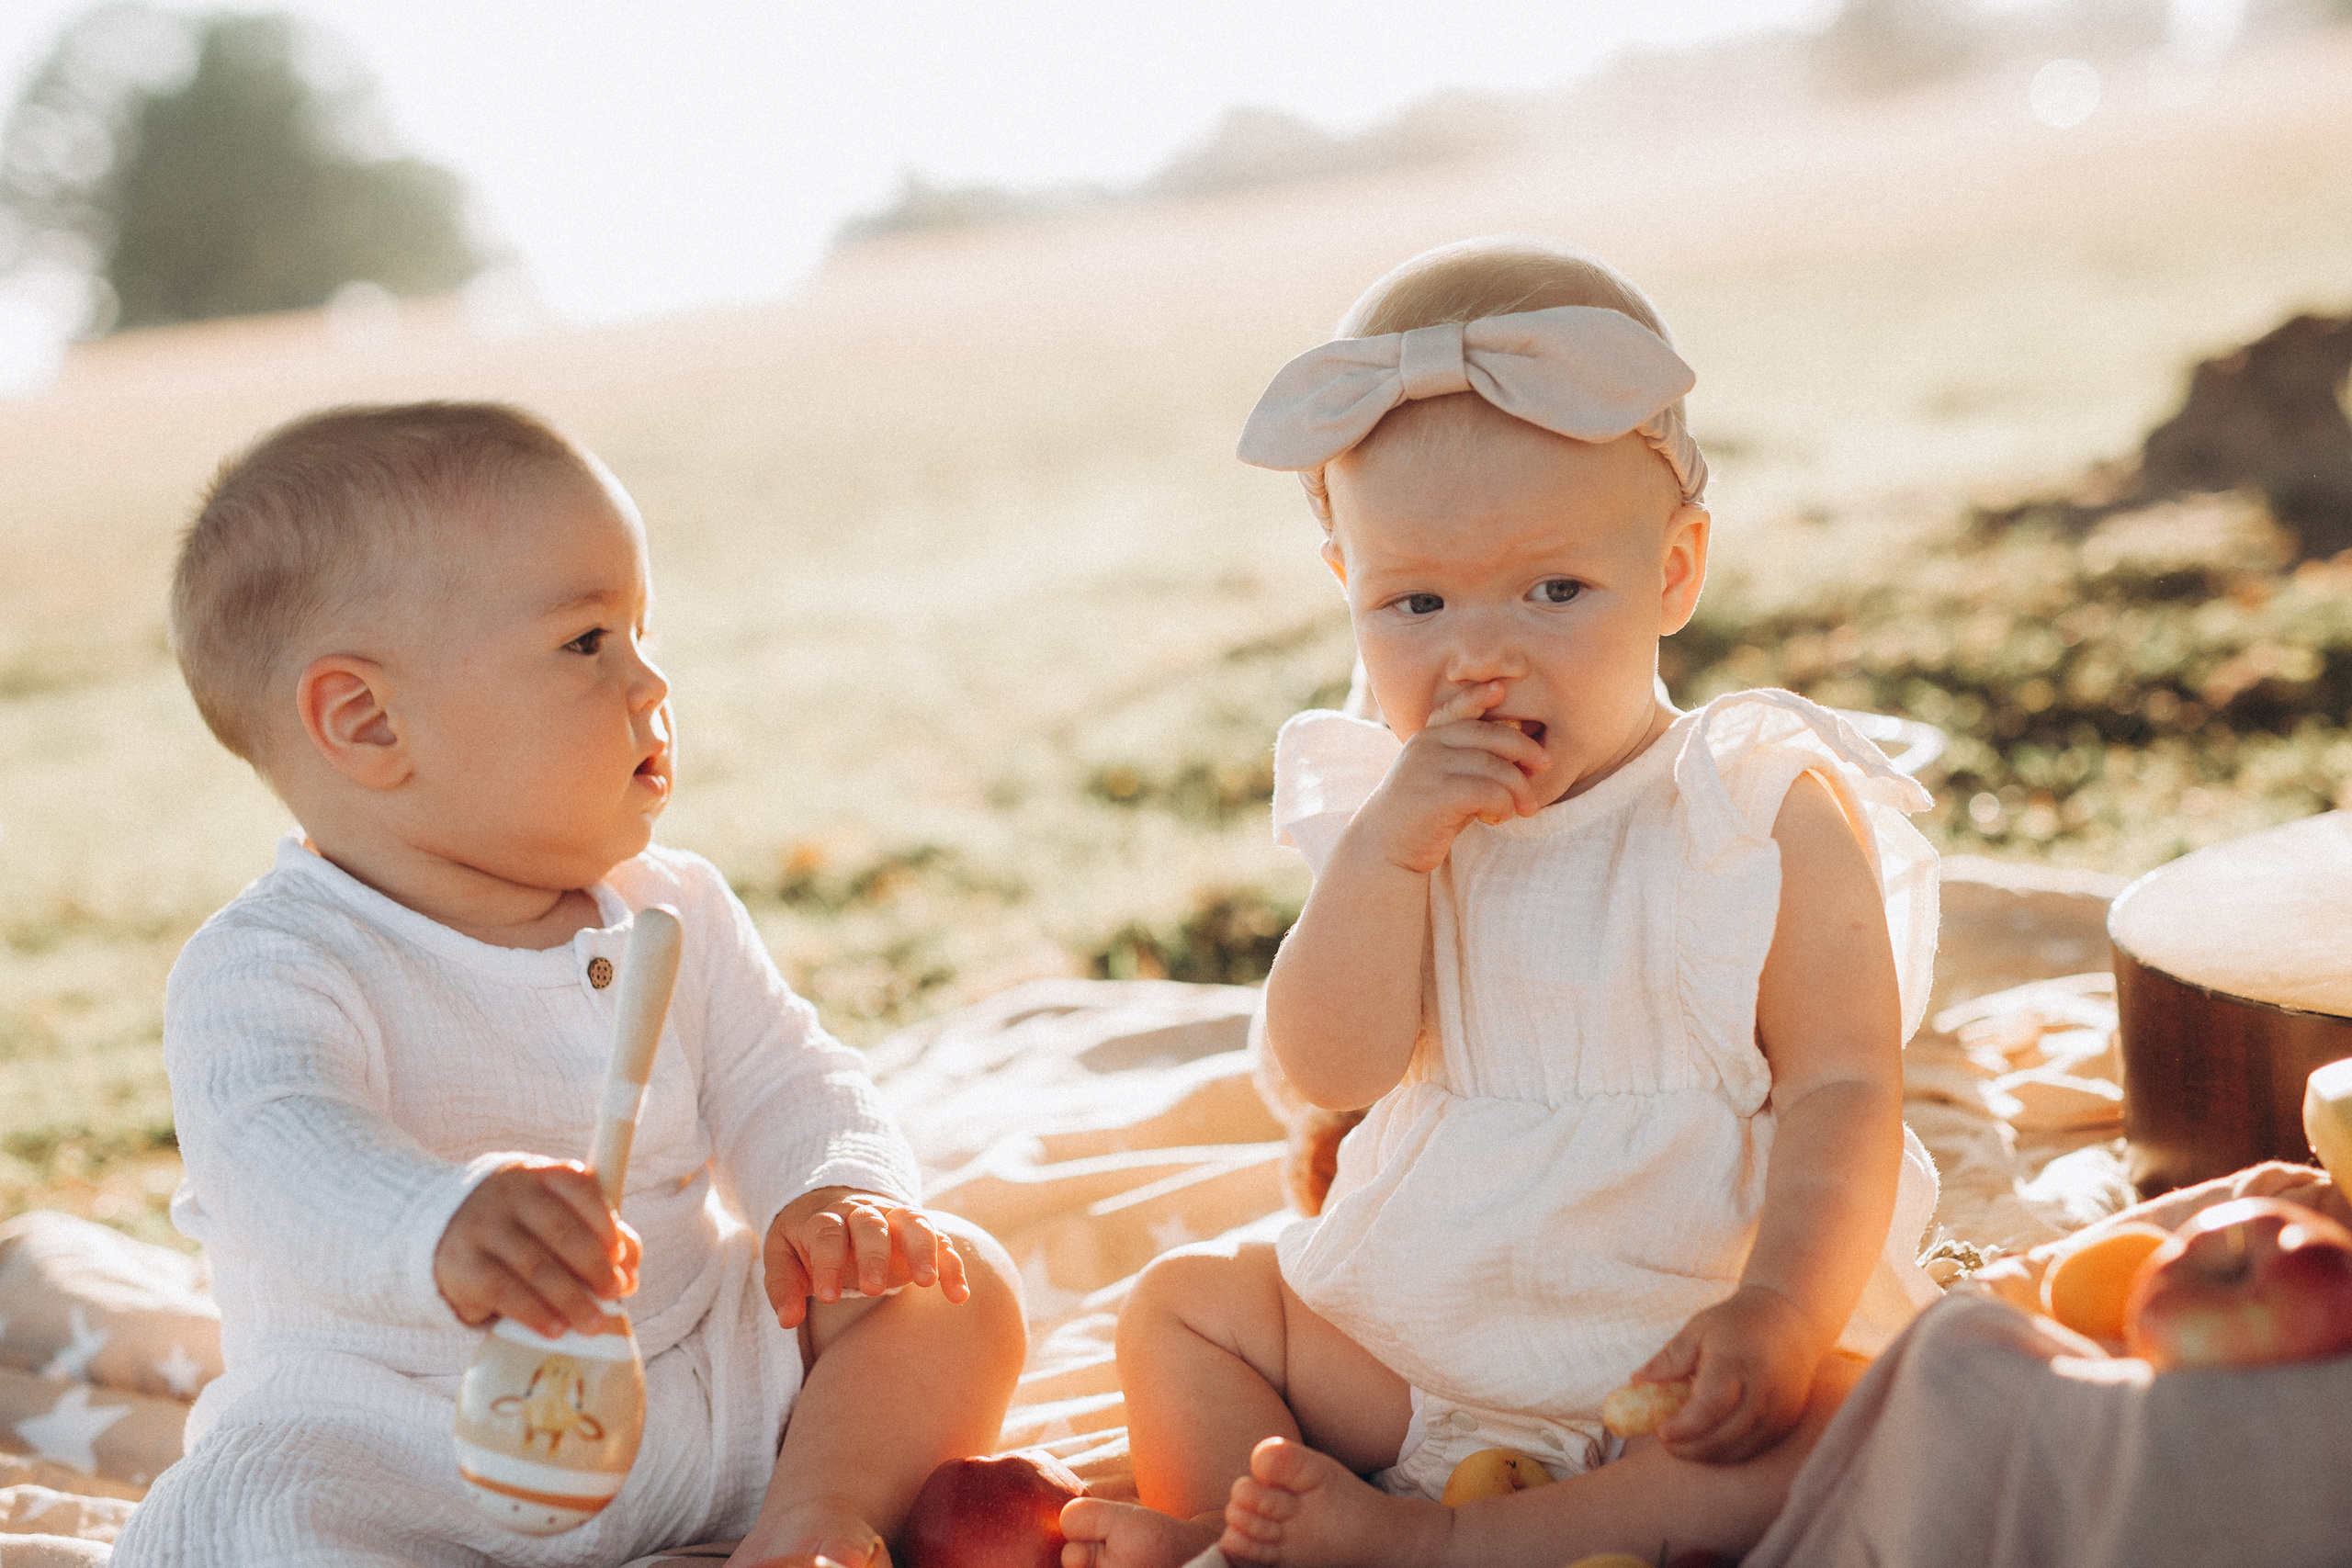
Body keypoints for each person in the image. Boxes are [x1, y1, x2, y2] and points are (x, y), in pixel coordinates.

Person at [1061, 235, 1942, 1568]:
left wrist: (1777, 1311)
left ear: (1676, 570)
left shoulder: (1751, 804)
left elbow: (1843, 1087)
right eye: (1414, 600)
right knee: (1187, 1305)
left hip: (1676, 1359)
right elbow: (1329, 1068)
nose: (1480, 653)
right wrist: (1387, 855)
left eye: (1554, 589)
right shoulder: (1390, 812)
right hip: (1421, 1332)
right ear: (1345, 594)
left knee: (1855, 1415)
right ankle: (1231, 1532)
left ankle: (1441, 1543)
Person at [113, 403, 1025, 1568]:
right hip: (409, 1437)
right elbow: (276, 1147)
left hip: (698, 1380)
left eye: (644, 632)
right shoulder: (273, 962)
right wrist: (434, 1220)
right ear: (367, 720)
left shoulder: (671, 903)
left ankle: (811, 1523)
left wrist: (833, 1191)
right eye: (589, 642)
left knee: (954, 1286)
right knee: (245, 1520)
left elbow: (781, 1072)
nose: (650, 683)